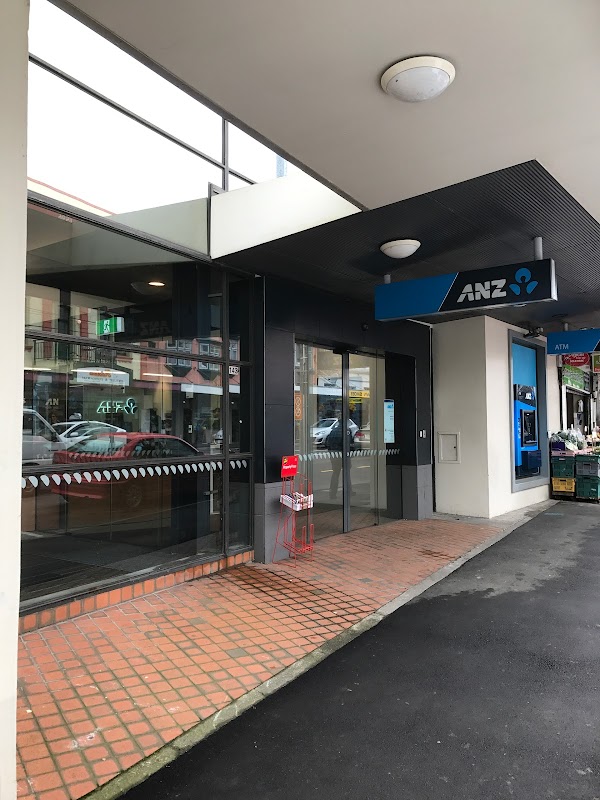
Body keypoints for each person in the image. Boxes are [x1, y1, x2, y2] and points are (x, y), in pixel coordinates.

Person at [327, 412, 353, 500]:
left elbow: (328, 444)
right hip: (343, 454)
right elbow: (349, 444)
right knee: (346, 473)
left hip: (334, 455)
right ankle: (349, 491)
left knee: (335, 473)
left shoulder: (333, 431)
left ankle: (332, 493)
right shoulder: (347, 431)